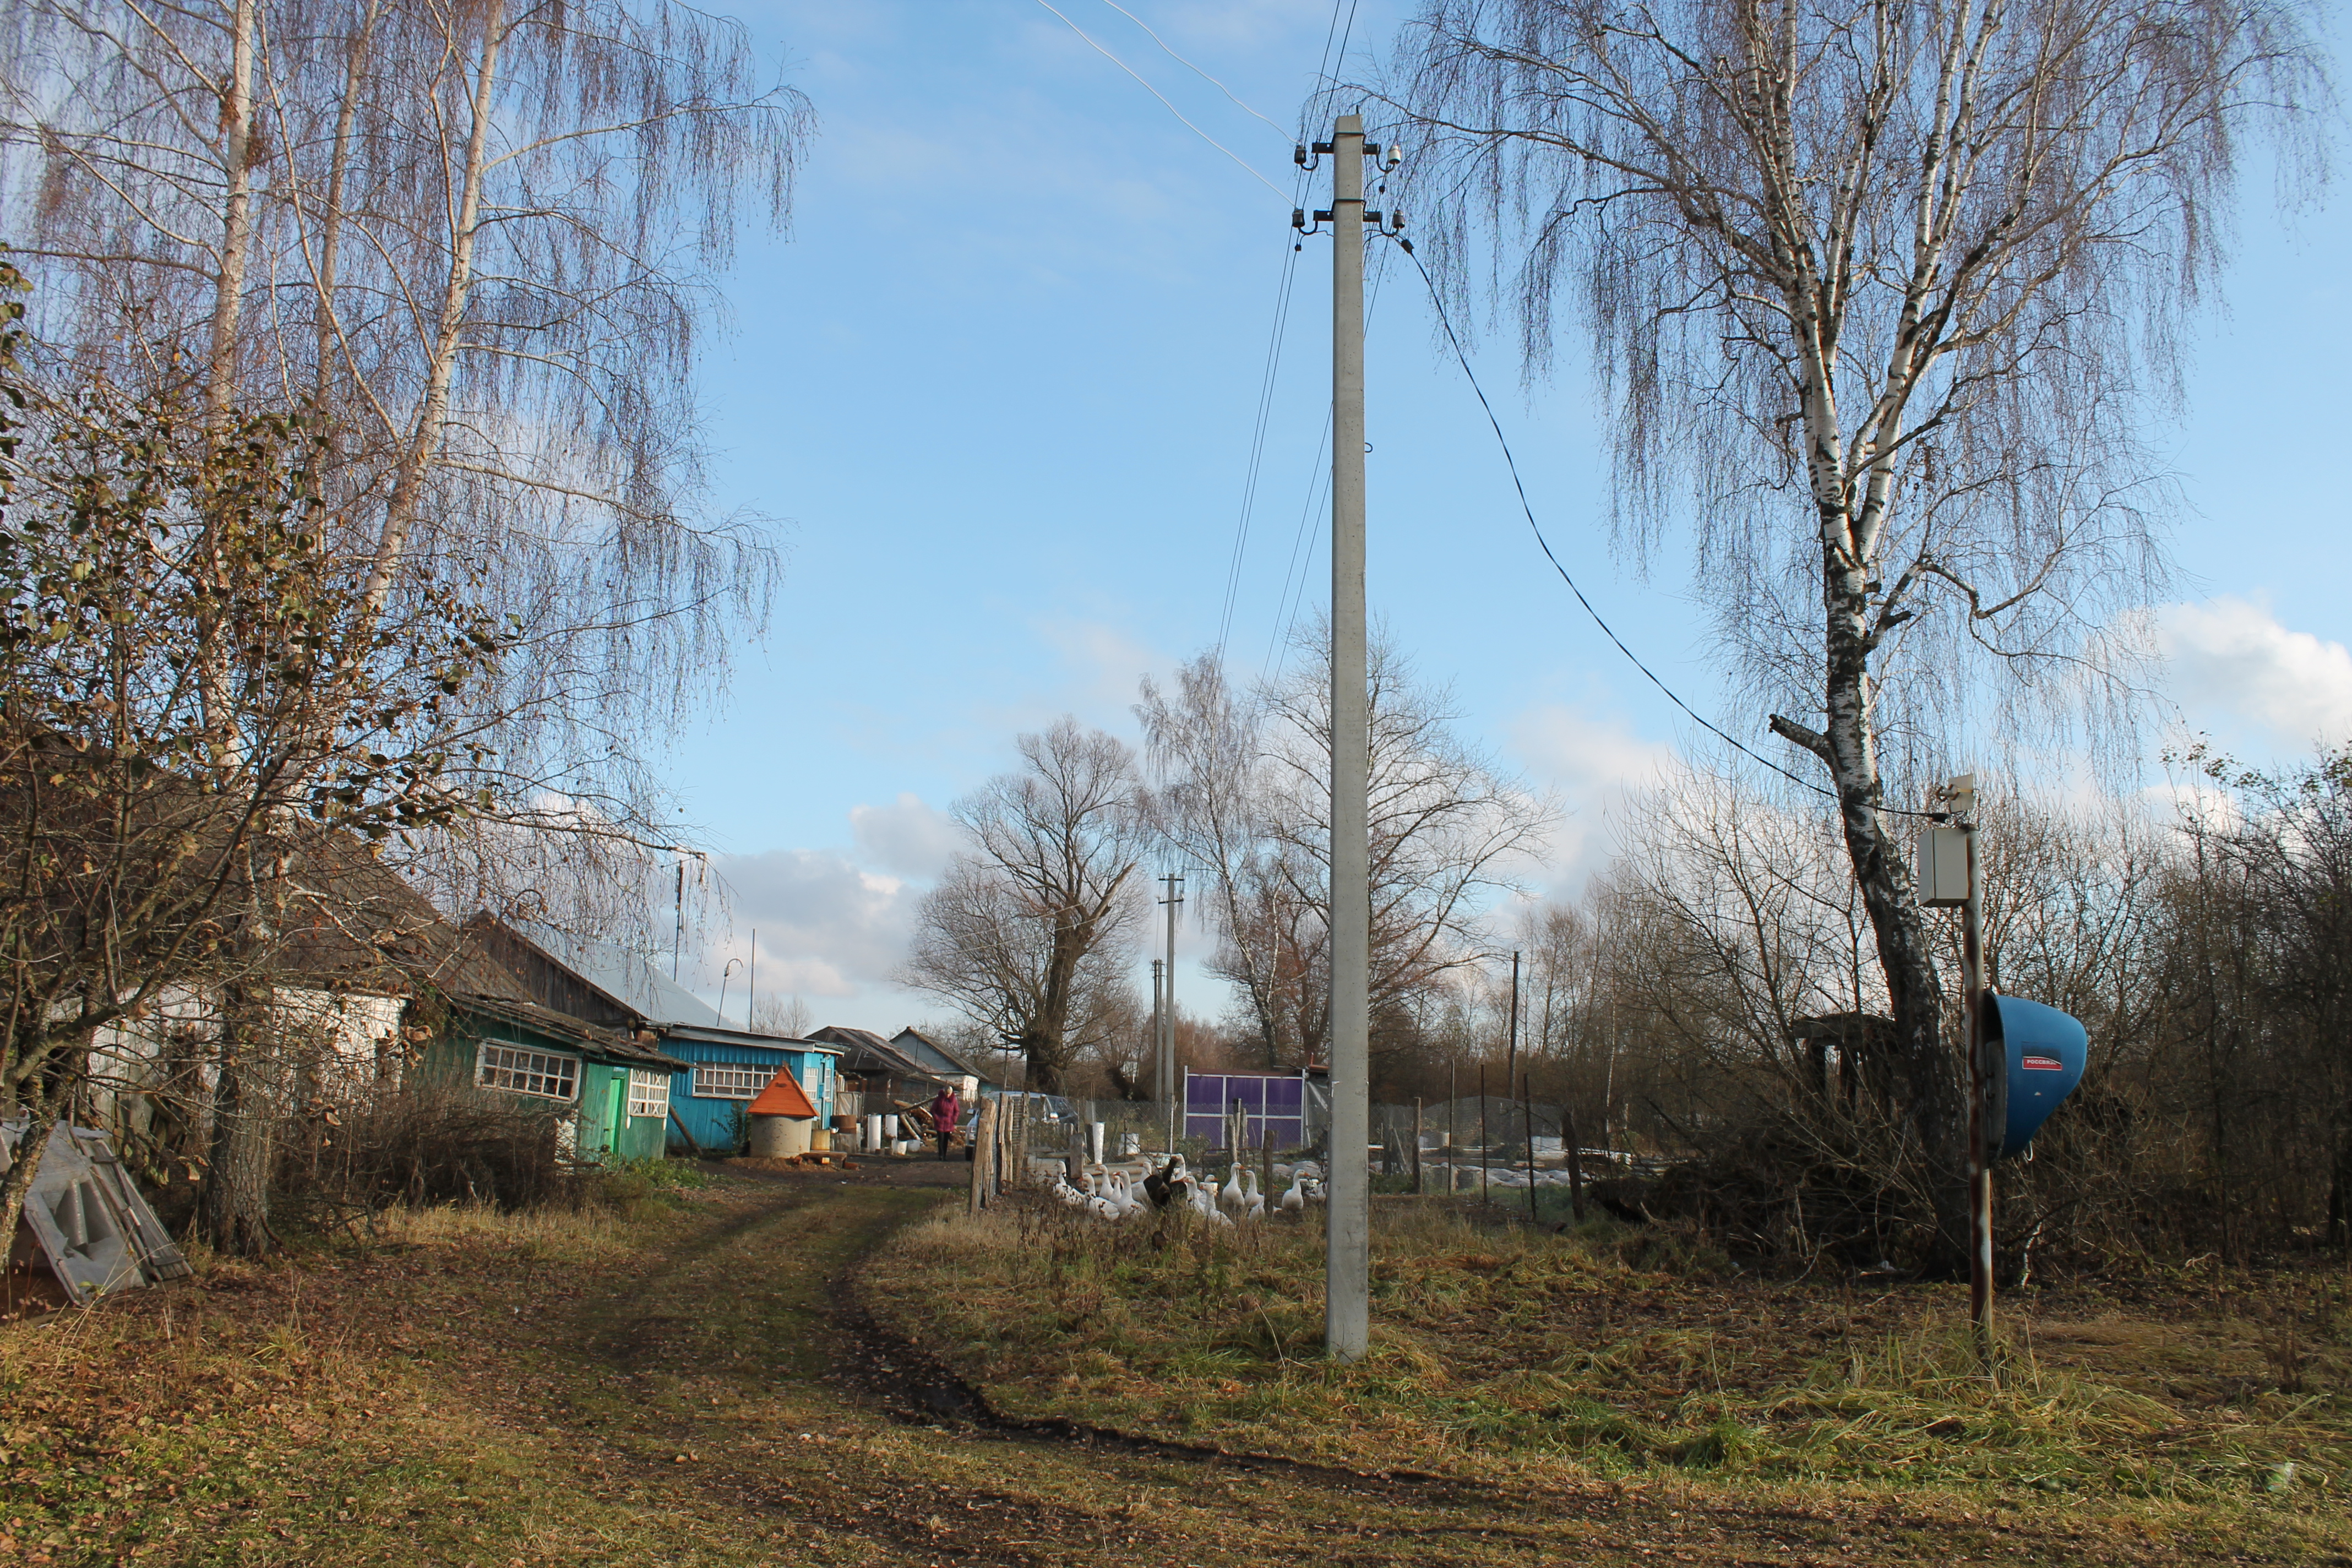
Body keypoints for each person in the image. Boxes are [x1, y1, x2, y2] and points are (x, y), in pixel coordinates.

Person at [930, 1084, 962, 1160]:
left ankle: (944, 1155)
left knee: (946, 1140)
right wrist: (937, 1118)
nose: (947, 1095)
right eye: (946, 1094)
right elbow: (933, 1110)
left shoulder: (954, 1100)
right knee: (941, 1139)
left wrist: (954, 1119)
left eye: (949, 1094)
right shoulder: (939, 1099)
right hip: (940, 1122)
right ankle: (941, 1155)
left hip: (949, 1123)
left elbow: (957, 1111)